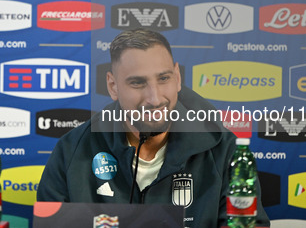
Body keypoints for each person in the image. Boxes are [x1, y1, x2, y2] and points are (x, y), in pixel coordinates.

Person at [37, 28, 270, 227]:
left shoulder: (225, 152)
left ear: (177, 77)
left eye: (164, 78)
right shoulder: (71, 150)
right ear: (113, 86)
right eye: (137, 82)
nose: (155, 98)